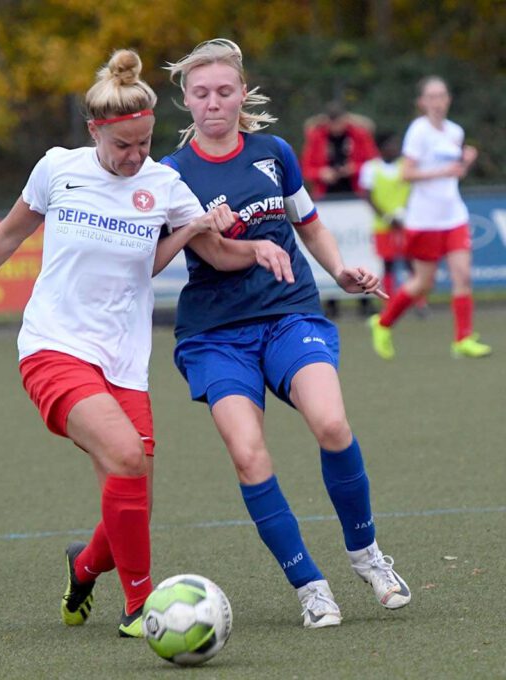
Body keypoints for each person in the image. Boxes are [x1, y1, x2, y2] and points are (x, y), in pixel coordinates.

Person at [0, 49, 241, 638]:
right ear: (95, 133)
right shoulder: (58, 168)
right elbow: (6, 236)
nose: (135, 156)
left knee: (131, 495)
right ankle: (141, 609)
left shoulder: (165, 184)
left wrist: (227, 234)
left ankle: (83, 571)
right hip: (53, 347)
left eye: (144, 143)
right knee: (128, 458)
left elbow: (181, 257)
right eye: (123, 146)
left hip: (125, 362)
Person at [161, 38, 411, 629]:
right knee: (249, 455)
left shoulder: (274, 151)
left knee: (331, 423)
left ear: (241, 93)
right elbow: (217, 256)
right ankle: (310, 586)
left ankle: (367, 555)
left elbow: (310, 223)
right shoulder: (171, 174)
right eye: (201, 93)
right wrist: (210, 228)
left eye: (224, 91)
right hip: (215, 334)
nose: (213, 102)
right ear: (186, 100)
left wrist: (339, 272)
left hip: (291, 314)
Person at [369, 76, 491, 360]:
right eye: (431, 97)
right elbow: (406, 173)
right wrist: (443, 171)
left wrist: (465, 162)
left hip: (453, 215)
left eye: (442, 95)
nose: (438, 101)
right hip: (424, 219)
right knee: (424, 283)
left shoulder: (455, 132)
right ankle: (383, 323)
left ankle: (463, 339)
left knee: (463, 275)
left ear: (448, 99)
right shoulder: (418, 131)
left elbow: (455, 172)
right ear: (422, 102)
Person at [302, 101, 379, 318]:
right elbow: (307, 168)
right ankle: (331, 300)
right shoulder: (317, 136)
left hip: (355, 198)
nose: (337, 128)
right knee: (331, 248)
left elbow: (373, 163)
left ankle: (365, 299)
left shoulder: (359, 134)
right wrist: (321, 173)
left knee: (361, 249)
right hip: (328, 200)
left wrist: (355, 169)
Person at [358, 132, 412, 301]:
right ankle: (390, 300)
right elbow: (367, 196)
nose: (396, 149)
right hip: (383, 224)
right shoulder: (370, 168)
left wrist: (406, 212)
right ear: (382, 149)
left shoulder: (406, 165)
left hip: (407, 222)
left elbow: (414, 191)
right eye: (392, 145)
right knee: (388, 264)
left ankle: (417, 302)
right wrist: (387, 216)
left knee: (411, 262)